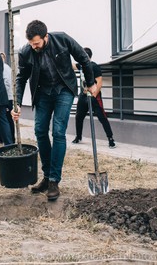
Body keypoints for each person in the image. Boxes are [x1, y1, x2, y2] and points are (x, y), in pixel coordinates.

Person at [12, 20, 97, 201]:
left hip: (64, 89)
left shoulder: (62, 39)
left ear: (46, 36)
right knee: (40, 131)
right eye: (31, 43)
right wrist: (17, 103)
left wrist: (91, 83)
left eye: (37, 43)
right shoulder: (26, 52)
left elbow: (83, 57)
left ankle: (53, 180)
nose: (34, 46)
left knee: (58, 131)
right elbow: (21, 78)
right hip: (42, 93)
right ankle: (46, 175)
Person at [72, 47, 116, 148]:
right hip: (83, 96)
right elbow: (72, 65)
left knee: (102, 117)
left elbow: (99, 82)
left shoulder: (94, 66)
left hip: (94, 96)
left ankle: (110, 139)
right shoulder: (81, 66)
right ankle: (78, 137)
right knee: (78, 117)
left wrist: (94, 95)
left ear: (87, 56)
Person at [0, 53, 15, 144]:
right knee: (1, 119)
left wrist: (1, 96)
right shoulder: (0, 67)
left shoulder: (5, 68)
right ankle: (0, 139)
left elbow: (6, 83)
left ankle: (11, 140)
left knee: (8, 119)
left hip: (6, 98)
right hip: (3, 98)